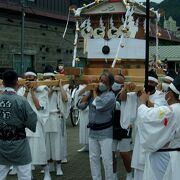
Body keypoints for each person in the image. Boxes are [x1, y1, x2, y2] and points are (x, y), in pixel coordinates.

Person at [137, 76, 180, 180]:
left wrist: (142, 102)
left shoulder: (171, 111)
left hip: (164, 157)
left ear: (170, 95)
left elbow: (147, 116)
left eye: (167, 92)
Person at [77, 72, 115, 180]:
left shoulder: (110, 96)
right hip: (93, 131)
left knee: (107, 160)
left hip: (105, 131)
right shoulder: (94, 93)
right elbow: (81, 105)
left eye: (104, 82)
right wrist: (89, 91)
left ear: (110, 85)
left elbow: (99, 105)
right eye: (100, 80)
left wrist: (94, 92)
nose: (101, 83)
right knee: (93, 159)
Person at [0, 70, 37, 180]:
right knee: (24, 175)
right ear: (17, 83)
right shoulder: (21, 100)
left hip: (1, 143)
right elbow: (31, 120)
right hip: (19, 143)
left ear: (3, 83)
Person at [131, 70, 167, 180]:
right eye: (148, 82)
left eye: (152, 83)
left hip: (153, 136)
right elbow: (124, 99)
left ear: (156, 84)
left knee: (150, 169)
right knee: (139, 169)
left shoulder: (161, 96)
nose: (150, 84)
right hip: (140, 135)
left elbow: (159, 113)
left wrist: (146, 100)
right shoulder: (140, 93)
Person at [17, 68, 51, 180]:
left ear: (35, 79)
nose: (28, 80)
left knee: (40, 149)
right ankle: (28, 174)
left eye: (30, 78)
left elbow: (39, 106)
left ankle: (47, 172)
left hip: (36, 122)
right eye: (26, 78)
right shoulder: (22, 90)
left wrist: (32, 91)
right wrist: (27, 91)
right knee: (26, 150)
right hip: (24, 124)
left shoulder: (43, 90)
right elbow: (21, 104)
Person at [43, 65, 71, 175]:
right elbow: (45, 98)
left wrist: (59, 86)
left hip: (56, 117)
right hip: (45, 118)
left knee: (57, 143)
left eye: (50, 77)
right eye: (47, 78)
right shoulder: (42, 88)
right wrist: (51, 88)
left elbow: (65, 99)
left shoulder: (59, 88)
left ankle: (58, 166)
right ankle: (49, 165)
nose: (48, 80)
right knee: (47, 144)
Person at [111, 74, 134, 180]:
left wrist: (125, 88)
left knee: (124, 153)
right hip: (111, 126)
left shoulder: (128, 92)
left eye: (118, 82)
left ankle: (129, 173)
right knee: (111, 153)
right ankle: (113, 174)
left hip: (124, 126)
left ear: (122, 84)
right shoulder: (108, 91)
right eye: (114, 81)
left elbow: (122, 98)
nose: (114, 83)